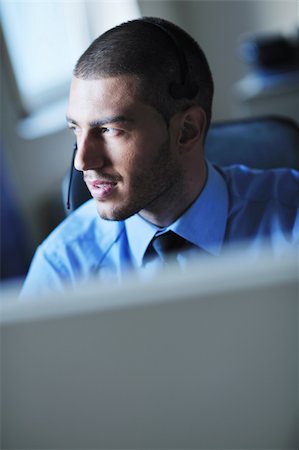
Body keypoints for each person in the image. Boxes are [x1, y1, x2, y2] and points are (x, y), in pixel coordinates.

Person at [21, 17, 299, 297]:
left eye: (109, 130)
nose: (82, 161)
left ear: (187, 131)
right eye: (76, 130)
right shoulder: (63, 266)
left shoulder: (291, 219)